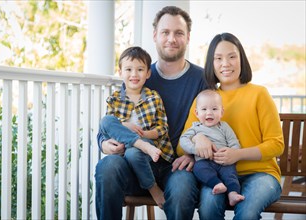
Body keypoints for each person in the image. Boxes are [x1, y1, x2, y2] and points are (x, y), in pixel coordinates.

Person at [95, 6, 208, 220]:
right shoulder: (139, 74)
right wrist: (103, 143)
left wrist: (194, 154)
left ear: (188, 38)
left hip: (175, 165)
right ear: (155, 35)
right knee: (107, 167)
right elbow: (111, 121)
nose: (171, 39)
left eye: (179, 33)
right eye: (165, 32)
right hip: (132, 163)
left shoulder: (201, 79)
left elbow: (213, 122)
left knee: (183, 187)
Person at [182, 32, 284, 219]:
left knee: (246, 213)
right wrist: (198, 137)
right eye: (218, 58)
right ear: (211, 64)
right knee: (208, 208)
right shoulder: (205, 99)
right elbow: (183, 145)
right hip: (218, 176)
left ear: (241, 60)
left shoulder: (259, 94)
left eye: (232, 57)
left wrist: (237, 154)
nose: (225, 64)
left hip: (261, 174)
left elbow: (276, 145)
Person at [99, 46, 174, 208]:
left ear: (148, 73)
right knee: (106, 120)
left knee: (134, 152)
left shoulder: (153, 97)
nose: (134, 74)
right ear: (120, 72)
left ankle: (153, 188)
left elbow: (162, 128)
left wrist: (145, 135)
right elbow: (108, 129)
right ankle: (140, 145)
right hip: (124, 147)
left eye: (140, 69)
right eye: (128, 69)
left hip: (148, 149)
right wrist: (124, 126)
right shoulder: (114, 99)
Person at [180, 89, 245, 207]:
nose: (209, 113)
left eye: (214, 109)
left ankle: (233, 193)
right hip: (204, 161)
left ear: (222, 112)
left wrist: (232, 153)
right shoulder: (195, 128)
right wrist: (195, 150)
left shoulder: (224, 127)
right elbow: (183, 140)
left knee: (231, 174)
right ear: (197, 113)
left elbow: (233, 142)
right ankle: (217, 184)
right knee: (199, 169)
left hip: (223, 161)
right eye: (204, 109)